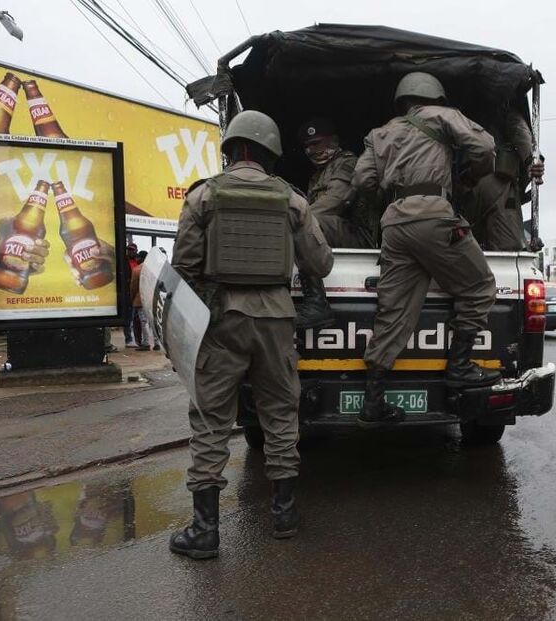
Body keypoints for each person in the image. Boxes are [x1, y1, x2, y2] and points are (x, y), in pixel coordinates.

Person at [169, 110, 333, 559]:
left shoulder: (204, 196)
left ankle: (205, 531)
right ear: (270, 152)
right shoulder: (292, 200)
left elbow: (182, 267)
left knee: (210, 420)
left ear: (232, 149)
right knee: (281, 414)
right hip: (277, 320)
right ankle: (283, 515)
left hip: (221, 321)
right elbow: (320, 264)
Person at [352, 71, 500, 427]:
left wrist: (394, 194)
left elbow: (362, 181)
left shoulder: (379, 134)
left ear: (401, 100)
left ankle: (373, 401)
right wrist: (468, 177)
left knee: (395, 310)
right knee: (480, 287)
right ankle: (460, 367)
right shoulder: (443, 116)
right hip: (434, 215)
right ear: (434, 96)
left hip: (394, 225)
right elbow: (484, 148)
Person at [292, 117, 376, 330]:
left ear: (333, 141)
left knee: (311, 221)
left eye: (316, 143)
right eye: (307, 147)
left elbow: (335, 202)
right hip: (335, 236)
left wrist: (295, 219)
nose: (311, 150)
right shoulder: (318, 175)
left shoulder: (347, 163)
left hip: (359, 237)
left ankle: (316, 303)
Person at [465, 104, 544, 250]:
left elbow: (519, 131)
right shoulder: (504, 108)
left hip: (470, 183)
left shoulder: (455, 112)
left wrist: (531, 160)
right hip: (495, 183)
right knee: (507, 249)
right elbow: (519, 130)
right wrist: (530, 160)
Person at [130, 250, 150, 351]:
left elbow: (133, 287)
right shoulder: (151, 269)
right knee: (148, 322)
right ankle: (154, 342)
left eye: (138, 257)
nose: (136, 259)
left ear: (142, 258)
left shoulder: (136, 270)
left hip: (139, 300)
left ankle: (145, 343)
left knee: (141, 322)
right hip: (150, 299)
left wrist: (131, 298)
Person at [123, 243, 138, 348]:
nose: (130, 252)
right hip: (128, 293)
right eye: (129, 250)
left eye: (132, 250)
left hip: (138, 294)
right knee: (128, 317)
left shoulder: (138, 262)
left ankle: (139, 340)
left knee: (139, 319)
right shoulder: (124, 262)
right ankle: (128, 339)